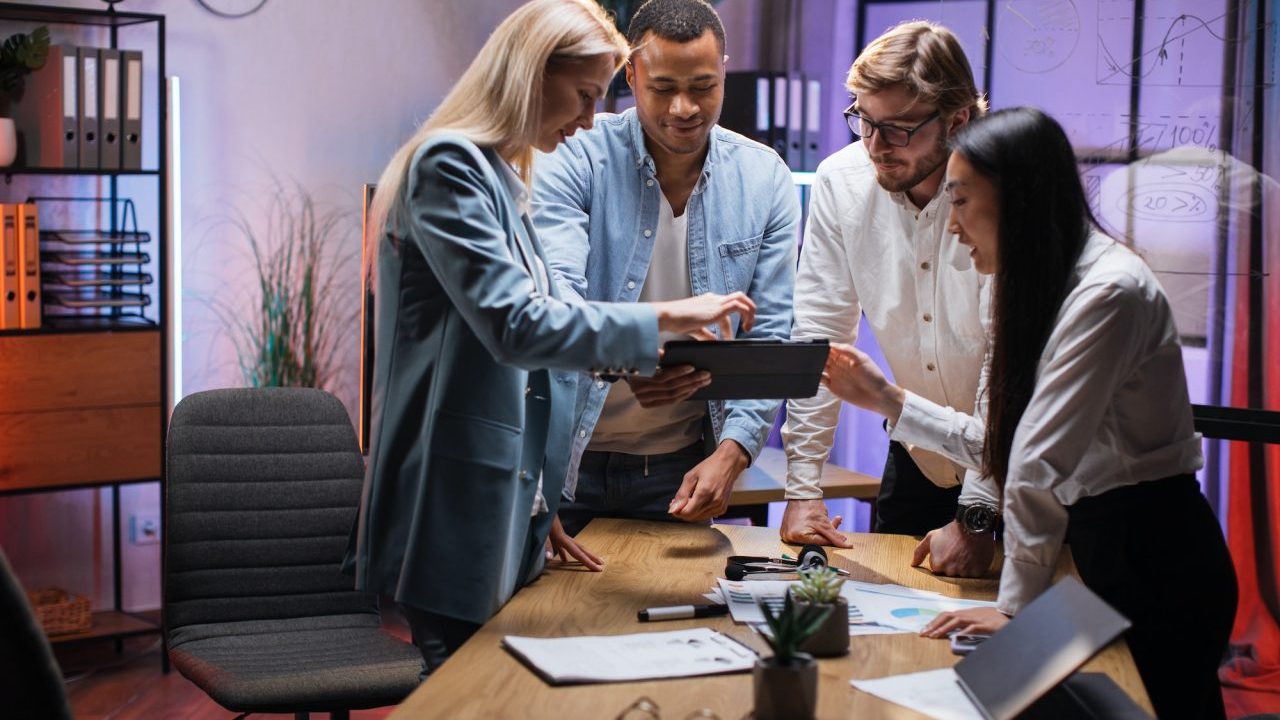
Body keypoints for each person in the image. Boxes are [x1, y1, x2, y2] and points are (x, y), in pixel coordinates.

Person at [347, 0, 756, 677]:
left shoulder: (503, 177)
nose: (591, 120)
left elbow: (533, 353)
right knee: (469, 690)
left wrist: (533, 495)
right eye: (587, 95)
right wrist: (667, 317)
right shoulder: (448, 167)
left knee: (491, 686)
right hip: (450, 499)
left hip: (495, 496)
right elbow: (518, 327)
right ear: (532, 74)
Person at [821, 106, 1237, 720]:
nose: (952, 226)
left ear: (1019, 200)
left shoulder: (1107, 293)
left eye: (961, 202)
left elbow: (1037, 461)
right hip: (1091, 548)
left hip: (1154, 556)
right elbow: (1003, 442)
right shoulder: (1029, 284)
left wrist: (1015, 609)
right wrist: (888, 400)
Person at [534, 0, 798, 537]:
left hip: (680, 467)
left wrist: (735, 451)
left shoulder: (764, 177)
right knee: (546, 618)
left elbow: (769, 333)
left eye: (703, 86)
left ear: (724, 69)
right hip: (561, 461)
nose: (684, 108)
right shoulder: (576, 155)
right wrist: (640, 350)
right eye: (663, 88)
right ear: (630, 75)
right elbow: (558, 303)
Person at [780, 21, 994, 579]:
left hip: (1009, 475)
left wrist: (978, 517)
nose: (874, 147)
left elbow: (1010, 382)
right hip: (916, 456)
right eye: (863, 121)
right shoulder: (840, 181)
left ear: (957, 121)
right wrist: (804, 488)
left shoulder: (1001, 193)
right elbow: (819, 334)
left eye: (897, 129)